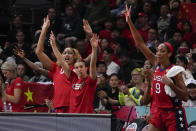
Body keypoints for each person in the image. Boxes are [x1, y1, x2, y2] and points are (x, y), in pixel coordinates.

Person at [123, 5, 189, 131]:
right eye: (157, 50)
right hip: (158, 112)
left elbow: (185, 97)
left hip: (173, 113)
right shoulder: (156, 63)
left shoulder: (174, 71)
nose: (158, 53)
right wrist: (130, 21)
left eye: (162, 51)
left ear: (169, 54)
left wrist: (171, 85)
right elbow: (140, 43)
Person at [49, 31, 98, 113]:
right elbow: (62, 60)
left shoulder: (90, 80)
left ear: (86, 68)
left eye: (81, 67)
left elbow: (92, 64)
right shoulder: (73, 79)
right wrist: (53, 45)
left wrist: (94, 49)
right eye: (77, 67)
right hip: (72, 115)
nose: (79, 69)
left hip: (86, 116)